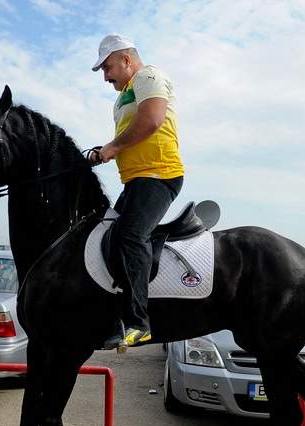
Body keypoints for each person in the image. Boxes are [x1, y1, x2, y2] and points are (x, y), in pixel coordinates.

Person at [90, 34, 184, 348]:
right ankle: (115, 316)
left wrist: (113, 147)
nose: (105, 76)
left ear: (127, 59)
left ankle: (139, 323)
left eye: (108, 67)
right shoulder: (125, 94)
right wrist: (104, 151)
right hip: (136, 181)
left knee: (131, 235)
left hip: (159, 176)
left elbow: (153, 119)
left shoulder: (149, 76)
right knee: (109, 236)